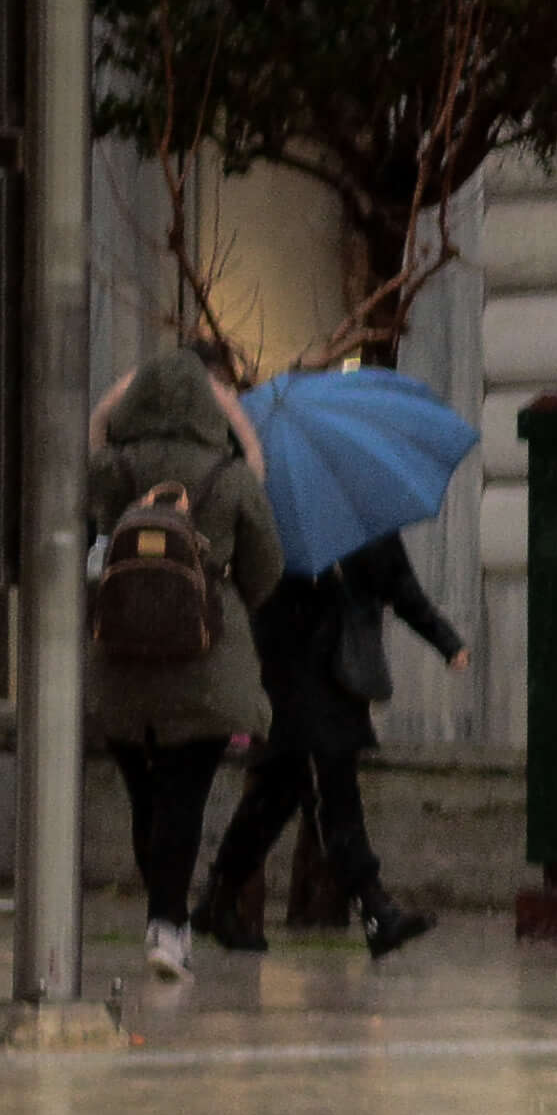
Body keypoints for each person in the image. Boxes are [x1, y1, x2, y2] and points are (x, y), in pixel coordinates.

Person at [194, 480, 469, 965]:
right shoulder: (291, 505)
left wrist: (445, 640)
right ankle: (375, 909)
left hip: (318, 672)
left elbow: (397, 582)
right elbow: (251, 580)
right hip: (302, 674)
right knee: (333, 793)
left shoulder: (328, 508)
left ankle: (216, 899)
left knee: (278, 792)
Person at [81, 356, 283, 986]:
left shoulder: (114, 469)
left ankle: (162, 918)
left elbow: (87, 466)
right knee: (183, 794)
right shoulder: (229, 477)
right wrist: (246, 440)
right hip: (205, 664)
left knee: (148, 796)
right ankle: (169, 926)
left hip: (121, 661)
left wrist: (104, 411)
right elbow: (267, 569)